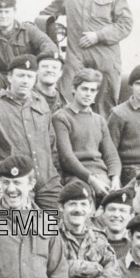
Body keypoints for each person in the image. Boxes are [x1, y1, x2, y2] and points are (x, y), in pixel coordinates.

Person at [41, 0, 134, 114]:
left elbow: (126, 24)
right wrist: (52, 42)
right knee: (67, 100)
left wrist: (99, 36)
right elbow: (46, 16)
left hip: (105, 58)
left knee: (105, 105)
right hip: (76, 55)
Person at [0, 54, 62, 209]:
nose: (26, 81)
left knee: (52, 227)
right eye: (21, 76)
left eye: (30, 77)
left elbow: (51, 143)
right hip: (15, 180)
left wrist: (56, 177)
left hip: (47, 181)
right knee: (20, 227)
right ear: (10, 77)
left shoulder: (41, 102)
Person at [53, 68, 122, 197]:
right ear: (74, 89)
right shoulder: (61, 117)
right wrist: (91, 180)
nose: (88, 94)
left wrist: (115, 178)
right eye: (84, 89)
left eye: (92, 90)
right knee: (85, 202)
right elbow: (67, 157)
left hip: (102, 175)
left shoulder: (99, 120)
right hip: (76, 176)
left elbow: (111, 155)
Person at [96, 188, 135, 259]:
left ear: (131, 216)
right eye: (112, 209)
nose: (116, 215)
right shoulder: (92, 241)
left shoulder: (137, 244)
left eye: (122, 210)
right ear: (103, 214)